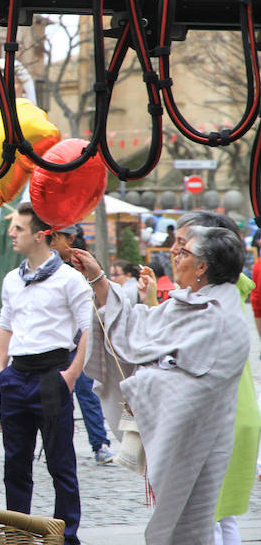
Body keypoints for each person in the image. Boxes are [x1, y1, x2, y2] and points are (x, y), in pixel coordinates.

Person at [73, 224, 250, 545]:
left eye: (183, 251)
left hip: (197, 439)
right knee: (173, 527)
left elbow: (191, 387)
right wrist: (98, 277)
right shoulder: (187, 302)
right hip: (179, 436)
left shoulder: (220, 315)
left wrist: (140, 386)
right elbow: (139, 327)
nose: (174, 255)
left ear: (202, 266)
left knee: (189, 526)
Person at [0, 203, 91, 545]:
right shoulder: (11, 279)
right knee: (14, 464)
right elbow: (5, 324)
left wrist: (70, 376)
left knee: (60, 463)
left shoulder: (69, 279)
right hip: (16, 377)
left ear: (40, 235)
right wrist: (0, 371)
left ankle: (66, 536)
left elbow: (88, 329)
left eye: (18, 229)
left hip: (53, 375)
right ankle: (17, 533)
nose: (11, 234)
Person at [167, 211, 261, 545]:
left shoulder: (211, 303)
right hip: (235, 411)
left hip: (219, 417)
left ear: (207, 260)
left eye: (183, 248)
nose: (175, 254)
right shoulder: (223, 293)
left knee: (207, 520)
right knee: (222, 518)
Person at [48, 225, 115, 465]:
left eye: (57, 239)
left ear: (71, 239)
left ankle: (100, 444)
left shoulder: (86, 265)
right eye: (51, 239)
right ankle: (52, 446)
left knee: (87, 394)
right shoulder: (48, 266)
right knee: (53, 397)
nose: (53, 244)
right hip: (56, 342)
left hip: (81, 341)